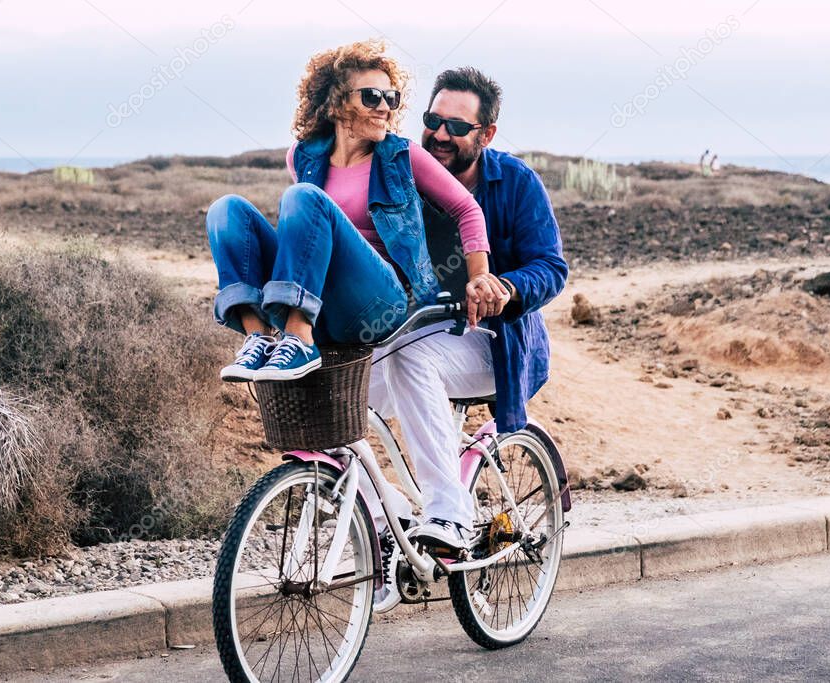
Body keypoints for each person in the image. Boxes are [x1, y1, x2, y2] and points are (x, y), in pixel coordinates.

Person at [205, 41, 501, 384]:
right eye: (372, 96)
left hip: (382, 301)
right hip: (325, 299)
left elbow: (467, 208)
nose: (384, 108)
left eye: (392, 99)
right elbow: (308, 238)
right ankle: (258, 336)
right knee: (226, 211)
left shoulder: (402, 156)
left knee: (303, 198)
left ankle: (299, 338)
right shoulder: (301, 156)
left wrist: (479, 274)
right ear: (336, 101)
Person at [369, 67, 569, 556]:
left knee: (409, 360)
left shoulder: (516, 182)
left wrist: (505, 285)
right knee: (332, 387)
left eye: (457, 127)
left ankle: (449, 514)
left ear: (487, 134)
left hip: (496, 344)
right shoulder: (402, 178)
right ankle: (383, 521)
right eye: (432, 120)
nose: (440, 135)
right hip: (412, 331)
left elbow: (551, 266)